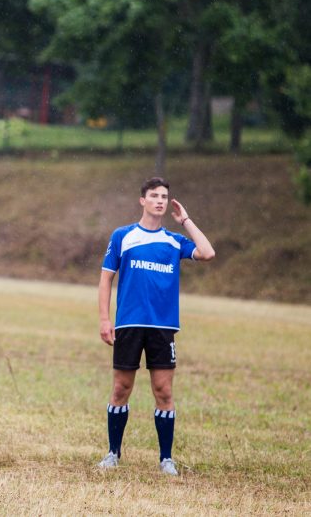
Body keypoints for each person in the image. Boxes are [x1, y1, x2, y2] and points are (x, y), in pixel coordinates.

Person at [97, 176, 215, 475]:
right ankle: (113, 454)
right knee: (121, 388)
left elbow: (207, 252)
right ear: (143, 200)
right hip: (129, 325)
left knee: (163, 391)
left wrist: (185, 219)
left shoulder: (173, 241)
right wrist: (104, 318)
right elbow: (106, 278)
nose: (160, 200)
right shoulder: (123, 236)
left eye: (164, 196)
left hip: (163, 327)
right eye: (154, 195)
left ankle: (166, 459)